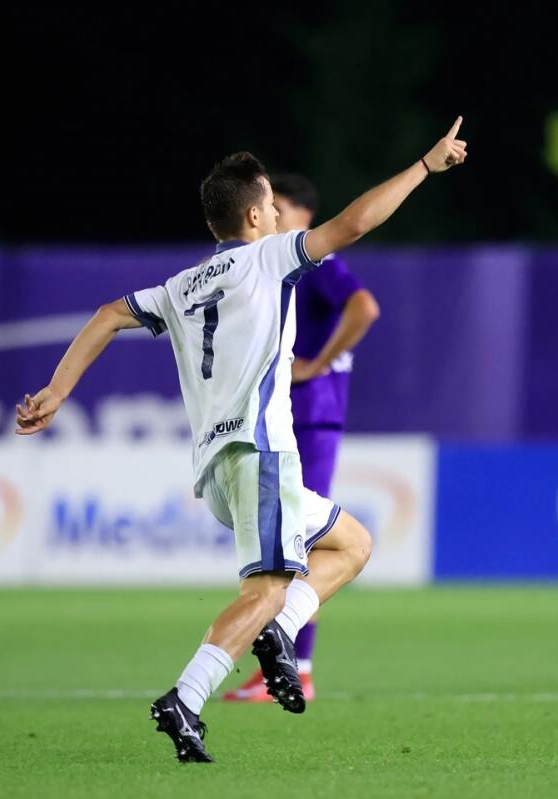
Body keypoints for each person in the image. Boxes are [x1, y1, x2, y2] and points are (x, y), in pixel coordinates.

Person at [14, 118, 468, 763]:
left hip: (220, 469)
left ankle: (278, 635)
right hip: (261, 455)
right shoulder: (270, 257)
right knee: (264, 591)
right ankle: (187, 697)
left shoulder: (181, 287)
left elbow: (107, 314)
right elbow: (355, 224)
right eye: (276, 208)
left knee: (353, 543)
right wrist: (424, 166)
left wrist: (57, 392)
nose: (283, 217)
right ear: (257, 216)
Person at [224, 174, 380, 704]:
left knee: (301, 540)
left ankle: (297, 666)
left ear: (303, 217)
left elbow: (365, 307)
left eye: (279, 207)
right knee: (292, 540)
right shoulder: (284, 266)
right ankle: (289, 662)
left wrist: (315, 364)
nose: (270, 214)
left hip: (310, 414)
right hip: (299, 416)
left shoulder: (319, 263)